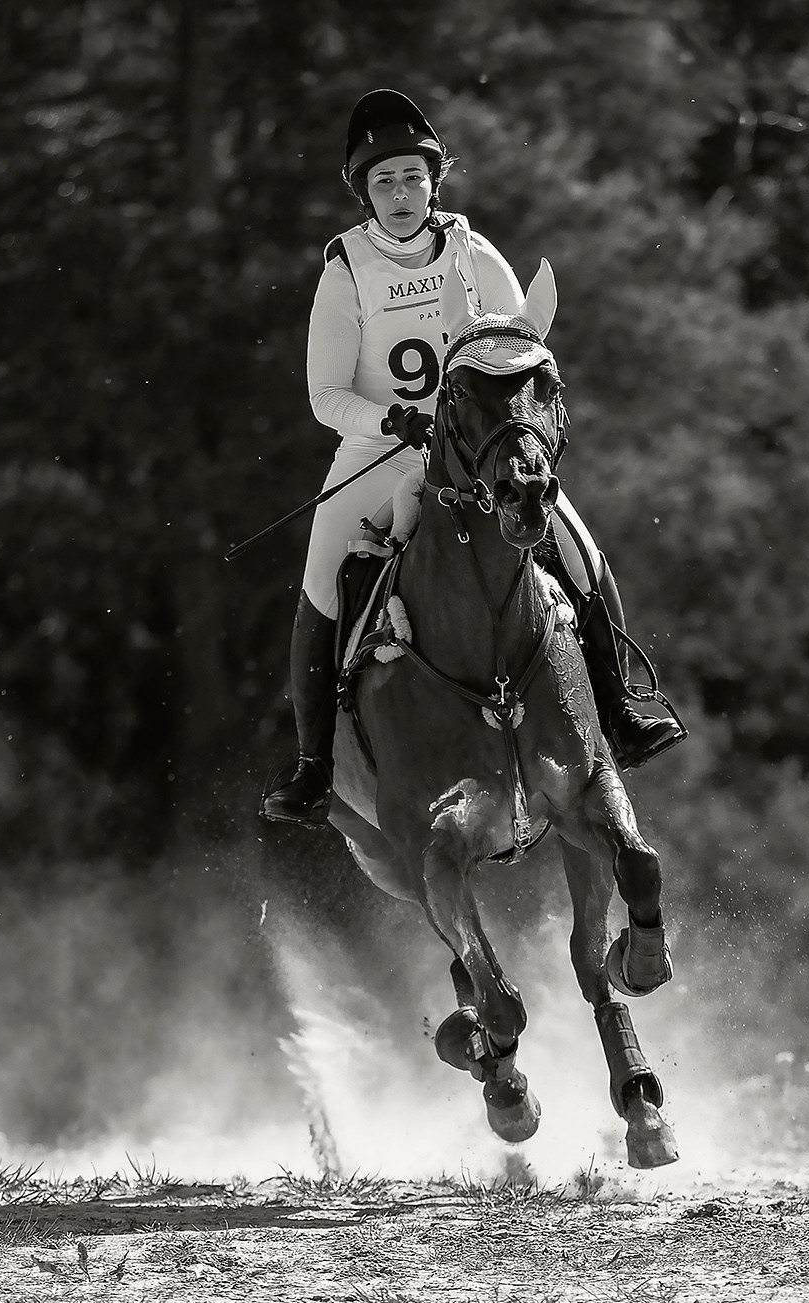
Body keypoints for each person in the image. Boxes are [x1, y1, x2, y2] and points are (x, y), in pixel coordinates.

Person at [260, 89, 684, 828]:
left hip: (476, 449)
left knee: (583, 554)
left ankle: (622, 709)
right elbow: (325, 396)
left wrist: (502, 430)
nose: (400, 194)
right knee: (322, 586)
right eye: (384, 181)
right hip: (379, 450)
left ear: (433, 182)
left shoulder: (472, 250)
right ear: (365, 190)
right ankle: (313, 767)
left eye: (412, 178)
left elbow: (520, 352)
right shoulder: (346, 269)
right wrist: (390, 419)